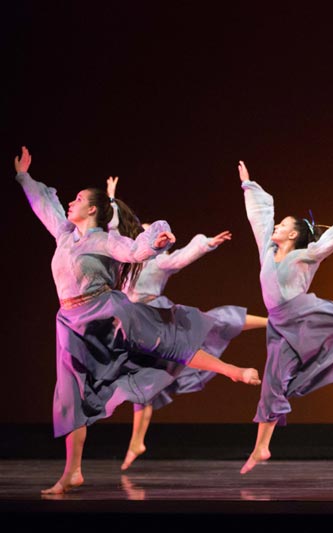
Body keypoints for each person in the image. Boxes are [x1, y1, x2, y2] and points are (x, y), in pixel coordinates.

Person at [14, 147, 261, 494]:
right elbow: (45, 205)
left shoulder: (103, 240)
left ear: (93, 209)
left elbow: (133, 251)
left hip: (106, 313)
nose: (71, 202)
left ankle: (231, 370)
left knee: (168, 342)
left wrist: (155, 243)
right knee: (70, 396)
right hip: (70, 323)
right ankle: (72, 472)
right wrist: (24, 177)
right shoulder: (64, 234)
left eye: (79, 199)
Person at [237, 160, 333, 475]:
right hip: (281, 325)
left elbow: (331, 239)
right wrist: (249, 186)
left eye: (283, 225)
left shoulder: (304, 255)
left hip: (305, 314)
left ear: (294, 234)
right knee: (273, 381)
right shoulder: (268, 250)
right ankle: (262, 446)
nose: (276, 227)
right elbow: (261, 219)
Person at [105, 177, 269, 471]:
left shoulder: (159, 261)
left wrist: (206, 244)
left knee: (214, 322)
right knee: (144, 381)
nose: (142, 237)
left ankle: (270, 325)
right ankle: (136, 442)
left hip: (156, 318)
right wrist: (112, 201)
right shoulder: (127, 258)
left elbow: (181, 257)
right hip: (133, 324)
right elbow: (115, 234)